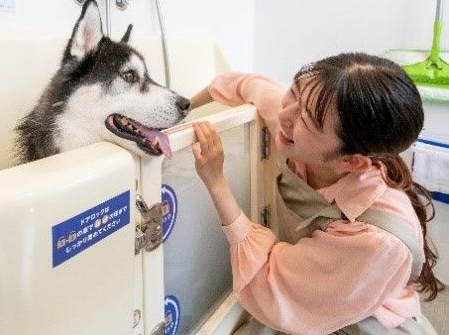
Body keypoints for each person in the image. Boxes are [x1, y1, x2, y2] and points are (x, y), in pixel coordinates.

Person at [189, 53, 445, 335]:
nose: (284, 115)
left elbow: (268, 281)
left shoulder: (375, 240)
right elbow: (246, 84)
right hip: (311, 287)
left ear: (352, 161)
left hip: (360, 320)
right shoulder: (301, 122)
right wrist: (183, 108)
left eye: (307, 120)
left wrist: (216, 182)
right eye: (295, 93)